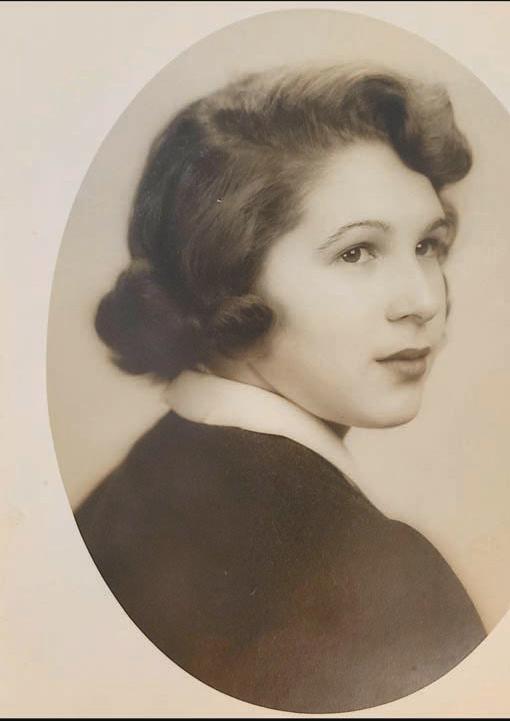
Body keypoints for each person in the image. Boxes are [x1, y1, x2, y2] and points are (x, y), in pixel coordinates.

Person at [75, 64, 486, 713]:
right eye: (356, 252)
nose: (422, 300)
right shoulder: (371, 574)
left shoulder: (126, 495)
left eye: (428, 245)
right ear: (225, 278)